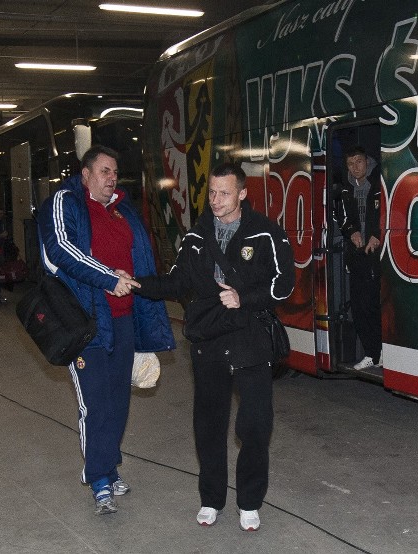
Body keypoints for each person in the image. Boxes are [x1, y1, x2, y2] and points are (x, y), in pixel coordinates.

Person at [133, 162, 295, 531]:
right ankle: (211, 499)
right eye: (212, 193)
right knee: (208, 425)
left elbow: (285, 284)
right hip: (209, 341)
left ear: (242, 193)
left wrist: (246, 297)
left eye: (224, 193)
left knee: (255, 425)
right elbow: (175, 284)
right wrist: (136, 283)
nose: (216, 201)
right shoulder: (196, 237)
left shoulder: (267, 234)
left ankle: (250, 501)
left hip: (250, 341)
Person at [38, 145, 176, 515]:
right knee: (95, 402)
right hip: (84, 321)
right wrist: (107, 276)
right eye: (103, 170)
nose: (111, 177)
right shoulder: (65, 202)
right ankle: (98, 477)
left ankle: (110, 465)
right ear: (85, 174)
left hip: (124, 318)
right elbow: (62, 249)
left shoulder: (123, 211)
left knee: (118, 400)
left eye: (115, 172)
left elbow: (142, 260)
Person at [334, 145, 383, 369]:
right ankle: (372, 353)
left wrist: (377, 235)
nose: (355, 167)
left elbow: (388, 212)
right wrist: (351, 231)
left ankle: (379, 352)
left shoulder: (379, 184)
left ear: (367, 162)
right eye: (350, 164)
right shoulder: (345, 190)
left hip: (377, 254)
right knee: (359, 306)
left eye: (359, 162)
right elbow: (341, 217)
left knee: (375, 305)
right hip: (356, 256)